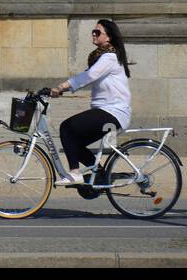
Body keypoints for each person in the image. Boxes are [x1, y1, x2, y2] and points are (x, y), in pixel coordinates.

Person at [50, 17, 132, 185]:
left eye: (97, 32)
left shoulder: (109, 58)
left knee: (66, 128)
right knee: (73, 142)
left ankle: (75, 173)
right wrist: (62, 90)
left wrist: (61, 87)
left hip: (113, 112)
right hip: (107, 111)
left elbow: (88, 76)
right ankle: (100, 175)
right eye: (93, 32)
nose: (93, 35)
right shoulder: (102, 57)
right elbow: (89, 76)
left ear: (108, 37)